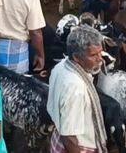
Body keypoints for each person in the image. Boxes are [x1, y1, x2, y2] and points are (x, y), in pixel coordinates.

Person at [46, 25, 108, 153]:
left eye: (100, 53)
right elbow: (69, 137)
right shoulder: (76, 88)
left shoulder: (61, 66)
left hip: (58, 138)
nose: (100, 59)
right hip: (77, 147)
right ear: (77, 57)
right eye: (93, 55)